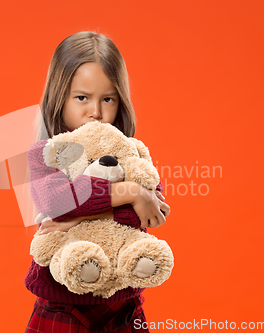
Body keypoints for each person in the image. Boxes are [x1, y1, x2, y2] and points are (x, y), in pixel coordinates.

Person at [25, 31, 171, 333]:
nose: (96, 111)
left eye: (108, 99)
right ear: (58, 98)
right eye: (82, 98)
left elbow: (148, 214)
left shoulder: (130, 152)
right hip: (62, 307)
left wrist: (76, 217)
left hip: (123, 308)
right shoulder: (45, 155)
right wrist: (130, 191)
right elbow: (56, 203)